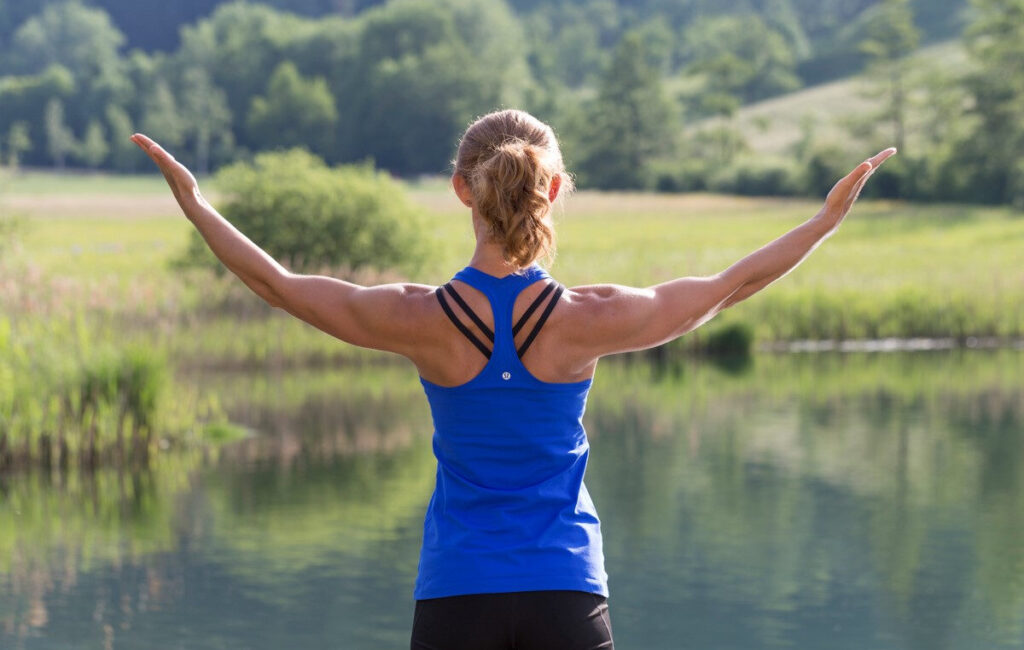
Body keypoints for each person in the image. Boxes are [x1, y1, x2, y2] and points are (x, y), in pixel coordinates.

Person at [132, 109, 894, 650]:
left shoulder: (417, 318)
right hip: (566, 589)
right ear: (553, 190)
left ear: (463, 190)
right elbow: (729, 287)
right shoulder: (589, 320)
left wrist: (197, 206)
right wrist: (823, 222)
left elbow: (278, 285)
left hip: (457, 590)